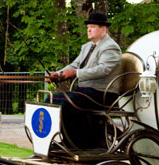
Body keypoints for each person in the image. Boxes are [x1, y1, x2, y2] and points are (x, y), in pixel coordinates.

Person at [46, 12, 122, 149]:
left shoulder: (110, 47)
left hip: (103, 94)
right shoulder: (86, 47)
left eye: (92, 26)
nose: (88, 29)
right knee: (51, 100)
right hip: (85, 92)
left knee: (68, 104)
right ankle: (70, 141)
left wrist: (75, 73)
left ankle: (78, 144)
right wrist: (58, 74)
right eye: (88, 26)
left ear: (103, 29)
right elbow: (74, 65)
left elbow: (103, 69)